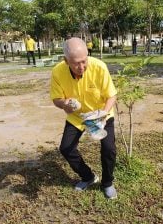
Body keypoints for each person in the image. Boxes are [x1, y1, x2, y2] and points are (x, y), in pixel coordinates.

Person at [50, 37, 118, 199]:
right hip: (77, 116)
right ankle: (88, 177)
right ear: (66, 61)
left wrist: (103, 114)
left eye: (84, 61)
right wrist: (64, 104)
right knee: (66, 148)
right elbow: (56, 99)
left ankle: (107, 183)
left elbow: (112, 96)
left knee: (109, 149)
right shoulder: (57, 72)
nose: (81, 67)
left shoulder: (99, 67)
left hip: (101, 114)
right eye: (76, 63)